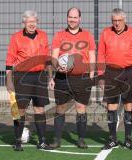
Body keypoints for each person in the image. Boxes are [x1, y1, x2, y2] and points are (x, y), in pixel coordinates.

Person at [5, 10, 54, 151]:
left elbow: (48, 59)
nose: (32, 24)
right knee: (20, 110)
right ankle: (18, 142)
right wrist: (9, 80)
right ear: (24, 23)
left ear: (37, 22)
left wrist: (50, 77)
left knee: (40, 109)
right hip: (22, 77)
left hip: (40, 77)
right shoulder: (16, 37)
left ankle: (42, 141)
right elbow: (10, 60)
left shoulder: (43, 36)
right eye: (29, 22)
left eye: (34, 21)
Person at [48, 7, 96, 149]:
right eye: (70, 17)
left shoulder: (88, 35)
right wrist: (57, 67)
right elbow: (54, 57)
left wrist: (91, 75)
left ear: (80, 19)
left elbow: (92, 55)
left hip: (82, 78)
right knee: (60, 108)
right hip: (62, 78)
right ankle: (56, 140)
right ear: (67, 18)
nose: (72, 20)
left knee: (81, 108)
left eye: (75, 17)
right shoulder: (59, 35)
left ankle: (81, 139)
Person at [97, 8, 132, 150]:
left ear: (125, 20)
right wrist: (100, 76)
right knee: (111, 106)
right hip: (111, 73)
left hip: (129, 73)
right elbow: (100, 54)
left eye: (119, 20)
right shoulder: (106, 33)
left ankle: (128, 140)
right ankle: (112, 139)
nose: (117, 23)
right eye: (114, 21)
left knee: (128, 105)